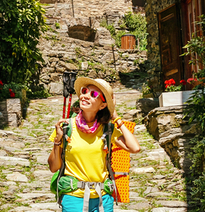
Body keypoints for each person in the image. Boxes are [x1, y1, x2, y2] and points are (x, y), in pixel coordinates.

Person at [47, 76, 141, 211]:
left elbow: (135, 148)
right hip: (73, 197)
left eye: (94, 94)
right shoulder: (66, 127)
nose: (85, 96)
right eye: (84, 91)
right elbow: (53, 167)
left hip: (102, 199)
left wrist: (116, 118)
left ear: (102, 105)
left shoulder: (107, 129)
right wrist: (57, 141)